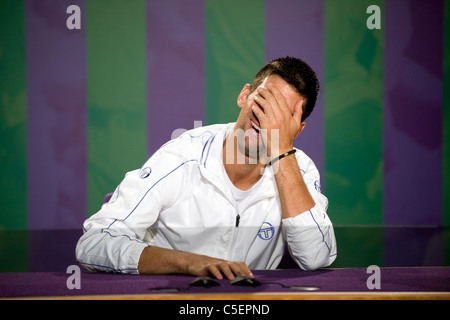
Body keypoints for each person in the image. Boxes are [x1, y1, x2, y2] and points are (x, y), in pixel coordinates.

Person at [76, 56, 337, 280]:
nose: (269, 118)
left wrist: (282, 151)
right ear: (244, 96)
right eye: (265, 100)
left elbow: (315, 257)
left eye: (283, 115)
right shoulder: (182, 156)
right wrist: (186, 262)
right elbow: (93, 243)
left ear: (298, 130)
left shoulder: (299, 169)